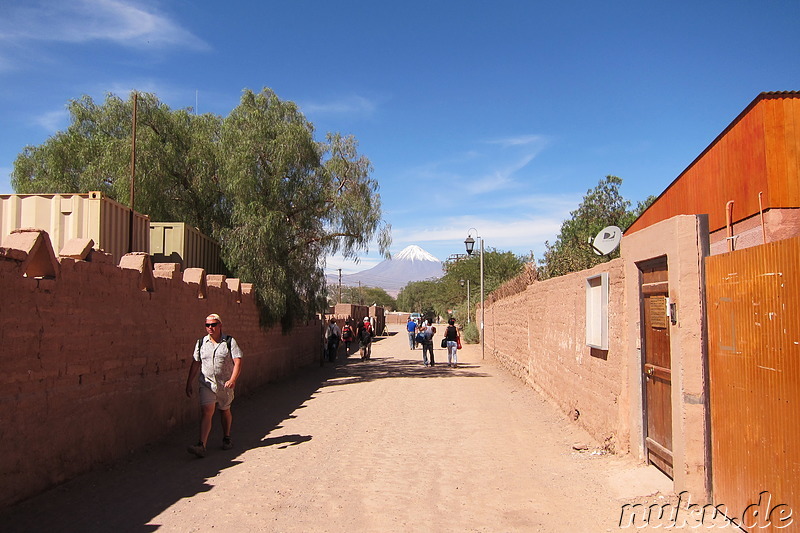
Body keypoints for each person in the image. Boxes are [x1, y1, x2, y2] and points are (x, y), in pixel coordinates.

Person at [185, 313, 243, 458]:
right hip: (207, 383)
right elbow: (196, 363)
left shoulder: (229, 341)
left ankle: (226, 437)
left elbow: (238, 362)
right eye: (207, 325)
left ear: (220, 326)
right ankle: (201, 445)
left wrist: (233, 379)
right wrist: (189, 382)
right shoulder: (201, 343)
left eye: (213, 324)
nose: (210, 327)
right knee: (207, 411)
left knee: (224, 410)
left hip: (225, 385)